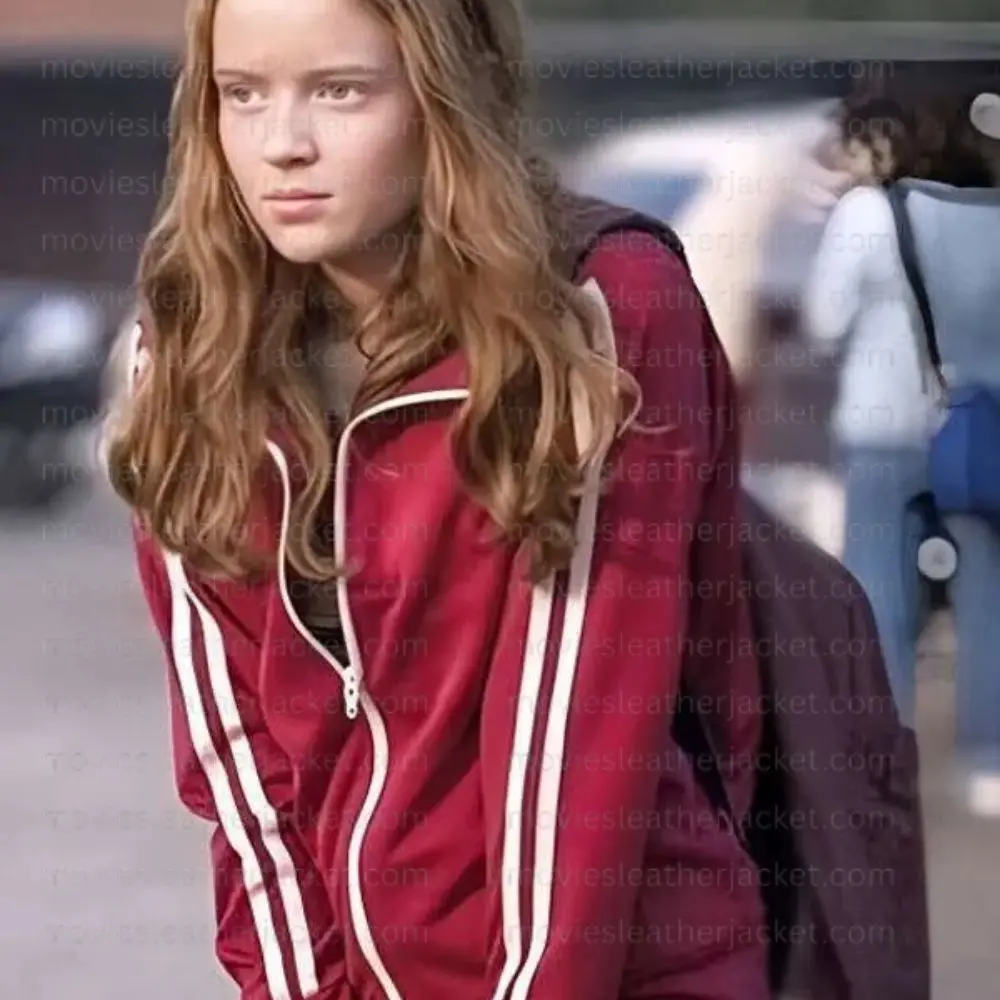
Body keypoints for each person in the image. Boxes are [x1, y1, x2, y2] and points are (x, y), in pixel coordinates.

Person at [102, 0, 769, 997]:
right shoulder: (193, 350)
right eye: (242, 95)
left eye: (340, 91)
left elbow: (575, 754)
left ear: (448, 92)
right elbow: (240, 774)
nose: (283, 145)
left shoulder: (592, 312)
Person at [803, 83, 1000, 817]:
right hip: (971, 429)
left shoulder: (864, 213)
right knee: (986, 596)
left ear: (881, 141)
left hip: (878, 428)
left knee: (878, 593)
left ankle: (885, 758)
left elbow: (824, 319)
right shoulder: (977, 212)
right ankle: (989, 762)